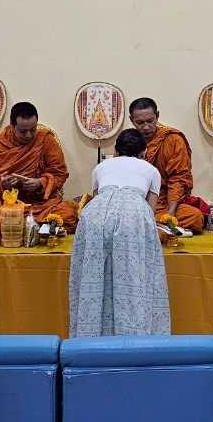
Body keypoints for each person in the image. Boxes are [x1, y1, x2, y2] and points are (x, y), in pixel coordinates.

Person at [69, 128, 170, 336]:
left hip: (96, 215)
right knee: (132, 276)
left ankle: (91, 334)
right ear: (144, 152)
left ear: (115, 151)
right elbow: (150, 210)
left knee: (95, 273)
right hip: (133, 216)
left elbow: (97, 195)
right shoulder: (151, 170)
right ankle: (133, 335)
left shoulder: (100, 167)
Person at [0, 101, 78, 231]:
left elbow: (60, 174)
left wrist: (40, 183)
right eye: (23, 131)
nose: (29, 135)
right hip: (10, 206)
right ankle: (40, 228)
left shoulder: (46, 140)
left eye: (33, 129)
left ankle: (31, 227)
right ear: (12, 126)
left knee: (67, 215)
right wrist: (2, 184)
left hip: (41, 204)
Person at [129, 97, 205, 233]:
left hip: (163, 203)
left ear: (157, 116)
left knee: (195, 217)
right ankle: (151, 226)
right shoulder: (126, 141)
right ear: (131, 120)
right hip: (134, 203)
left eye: (150, 121)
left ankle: (144, 225)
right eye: (140, 123)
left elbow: (178, 178)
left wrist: (170, 214)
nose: (146, 127)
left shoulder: (173, 140)